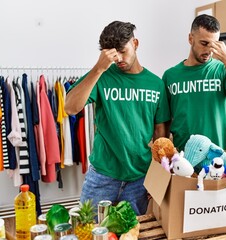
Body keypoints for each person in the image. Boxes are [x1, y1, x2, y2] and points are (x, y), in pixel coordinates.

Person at [64, 21, 170, 216]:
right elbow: (70, 107)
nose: (119, 59)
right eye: (113, 55)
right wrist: (98, 68)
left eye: (122, 51)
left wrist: (157, 179)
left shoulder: (156, 84)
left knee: (134, 233)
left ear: (135, 44)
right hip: (102, 175)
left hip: (140, 178)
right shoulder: (102, 76)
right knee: (88, 230)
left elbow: (160, 134)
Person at [162, 14, 226, 151]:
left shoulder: (222, 70)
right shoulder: (170, 75)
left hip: (216, 160)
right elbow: (165, 121)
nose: (209, 50)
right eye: (204, 43)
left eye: (214, 44)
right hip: (182, 160)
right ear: (190, 38)